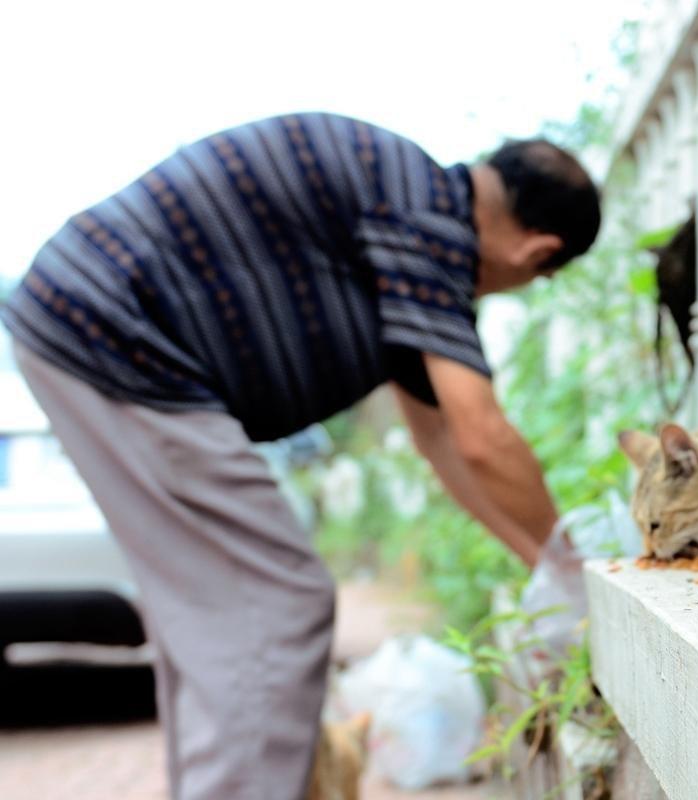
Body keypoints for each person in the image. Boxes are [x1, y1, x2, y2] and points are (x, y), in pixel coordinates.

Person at [1, 112, 601, 799]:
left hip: (87, 321)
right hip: (116, 334)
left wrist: (543, 564)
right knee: (278, 604)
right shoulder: (430, 222)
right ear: (537, 252)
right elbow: (481, 435)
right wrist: (571, 564)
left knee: (214, 618)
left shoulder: (412, 218)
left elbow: (442, 443)